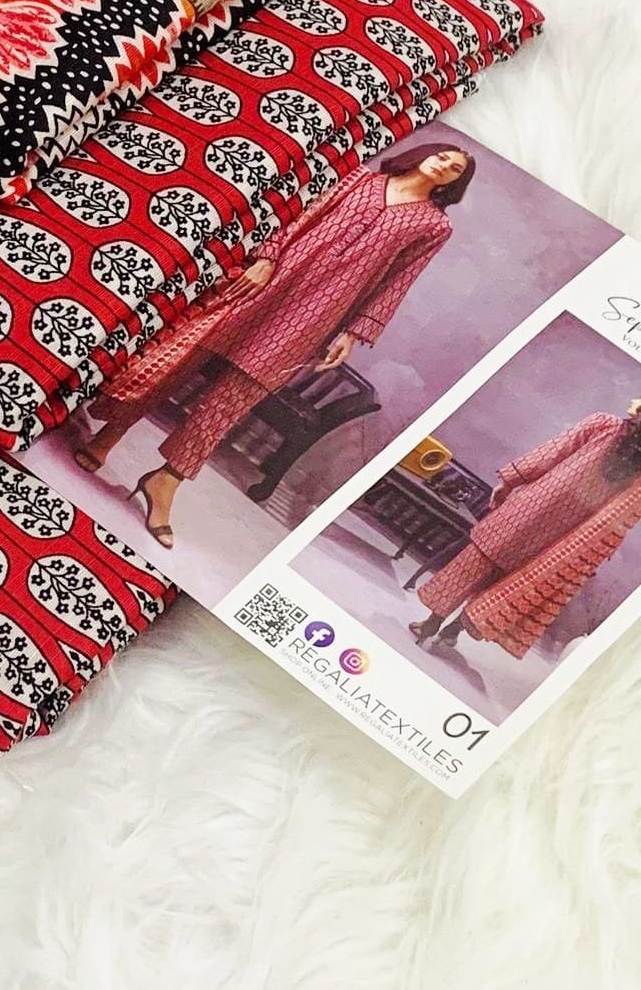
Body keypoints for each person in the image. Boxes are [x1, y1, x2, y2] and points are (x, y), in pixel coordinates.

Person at [74, 144, 474, 547]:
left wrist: (353, 333)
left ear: (455, 182)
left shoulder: (434, 227)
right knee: (186, 353)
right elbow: (304, 214)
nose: (444, 167)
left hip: (318, 310)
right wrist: (266, 257)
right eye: (443, 157)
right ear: (426, 154)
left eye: (455, 169)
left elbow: (398, 281)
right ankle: (112, 432)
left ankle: (167, 480)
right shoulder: (360, 179)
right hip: (275, 277)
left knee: (234, 398)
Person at [409, 398, 641, 655]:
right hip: (562, 538)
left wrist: (509, 481)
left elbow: (552, 452)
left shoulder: (603, 424)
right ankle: (453, 631)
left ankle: (431, 623)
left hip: (530, 509)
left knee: (474, 564)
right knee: (505, 586)